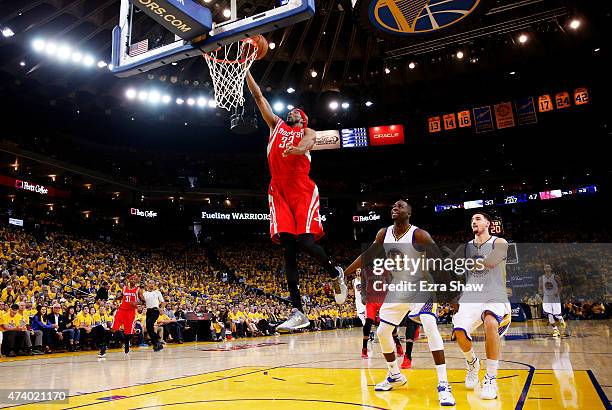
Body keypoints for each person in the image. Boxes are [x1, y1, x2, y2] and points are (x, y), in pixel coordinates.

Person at [245, 70, 347, 332]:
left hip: (301, 189)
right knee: (288, 249)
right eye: (289, 111)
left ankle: (335, 272)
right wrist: (245, 71)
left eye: (296, 112)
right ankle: (297, 311)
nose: (291, 113)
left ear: (303, 119)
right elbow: (258, 97)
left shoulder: (308, 131)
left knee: (304, 240)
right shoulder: (275, 126)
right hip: (278, 189)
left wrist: (297, 149)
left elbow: (308, 143)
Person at [344, 200, 455, 406]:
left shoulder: (419, 235)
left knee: (430, 326)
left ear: (409, 213)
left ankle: (444, 384)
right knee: (382, 333)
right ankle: (395, 375)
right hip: (398, 288)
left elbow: (440, 264)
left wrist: (453, 297)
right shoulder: (383, 233)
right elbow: (367, 255)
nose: (395, 207)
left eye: (401, 206)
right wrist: (346, 273)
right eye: (393, 205)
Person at [451, 212, 512, 400]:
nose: (473, 222)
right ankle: (472, 363)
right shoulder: (467, 246)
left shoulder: (499, 242)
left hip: (494, 294)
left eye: (477, 219)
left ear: (488, 223)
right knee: (459, 332)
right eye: (471, 220)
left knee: (491, 322)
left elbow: (491, 262)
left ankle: (491, 377)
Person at [100, 274, 143, 357]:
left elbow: (143, 301)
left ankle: (127, 344)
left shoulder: (138, 290)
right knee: (113, 329)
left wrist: (136, 303)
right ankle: (103, 348)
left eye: (135, 279)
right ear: (129, 280)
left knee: (128, 332)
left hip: (131, 312)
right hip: (121, 311)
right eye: (132, 279)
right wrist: (116, 299)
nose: (133, 280)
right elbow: (123, 297)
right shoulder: (124, 288)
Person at [539, 263, 566, 337]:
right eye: (545, 267)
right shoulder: (541, 278)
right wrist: (541, 292)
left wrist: (558, 292)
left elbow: (560, 286)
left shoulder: (556, 277)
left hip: (555, 298)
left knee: (557, 315)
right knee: (549, 315)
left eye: (548, 267)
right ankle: (555, 330)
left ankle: (561, 319)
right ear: (544, 269)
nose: (547, 268)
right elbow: (540, 288)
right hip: (546, 298)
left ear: (551, 268)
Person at [143, 279, 164, 351]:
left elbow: (162, 302)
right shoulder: (144, 293)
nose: (151, 285)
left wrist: (161, 309)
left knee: (149, 325)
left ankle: (157, 339)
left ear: (154, 285)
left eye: (153, 283)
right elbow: (142, 302)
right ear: (147, 284)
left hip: (155, 310)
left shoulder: (157, 292)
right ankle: (156, 343)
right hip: (148, 311)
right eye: (150, 283)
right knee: (149, 328)